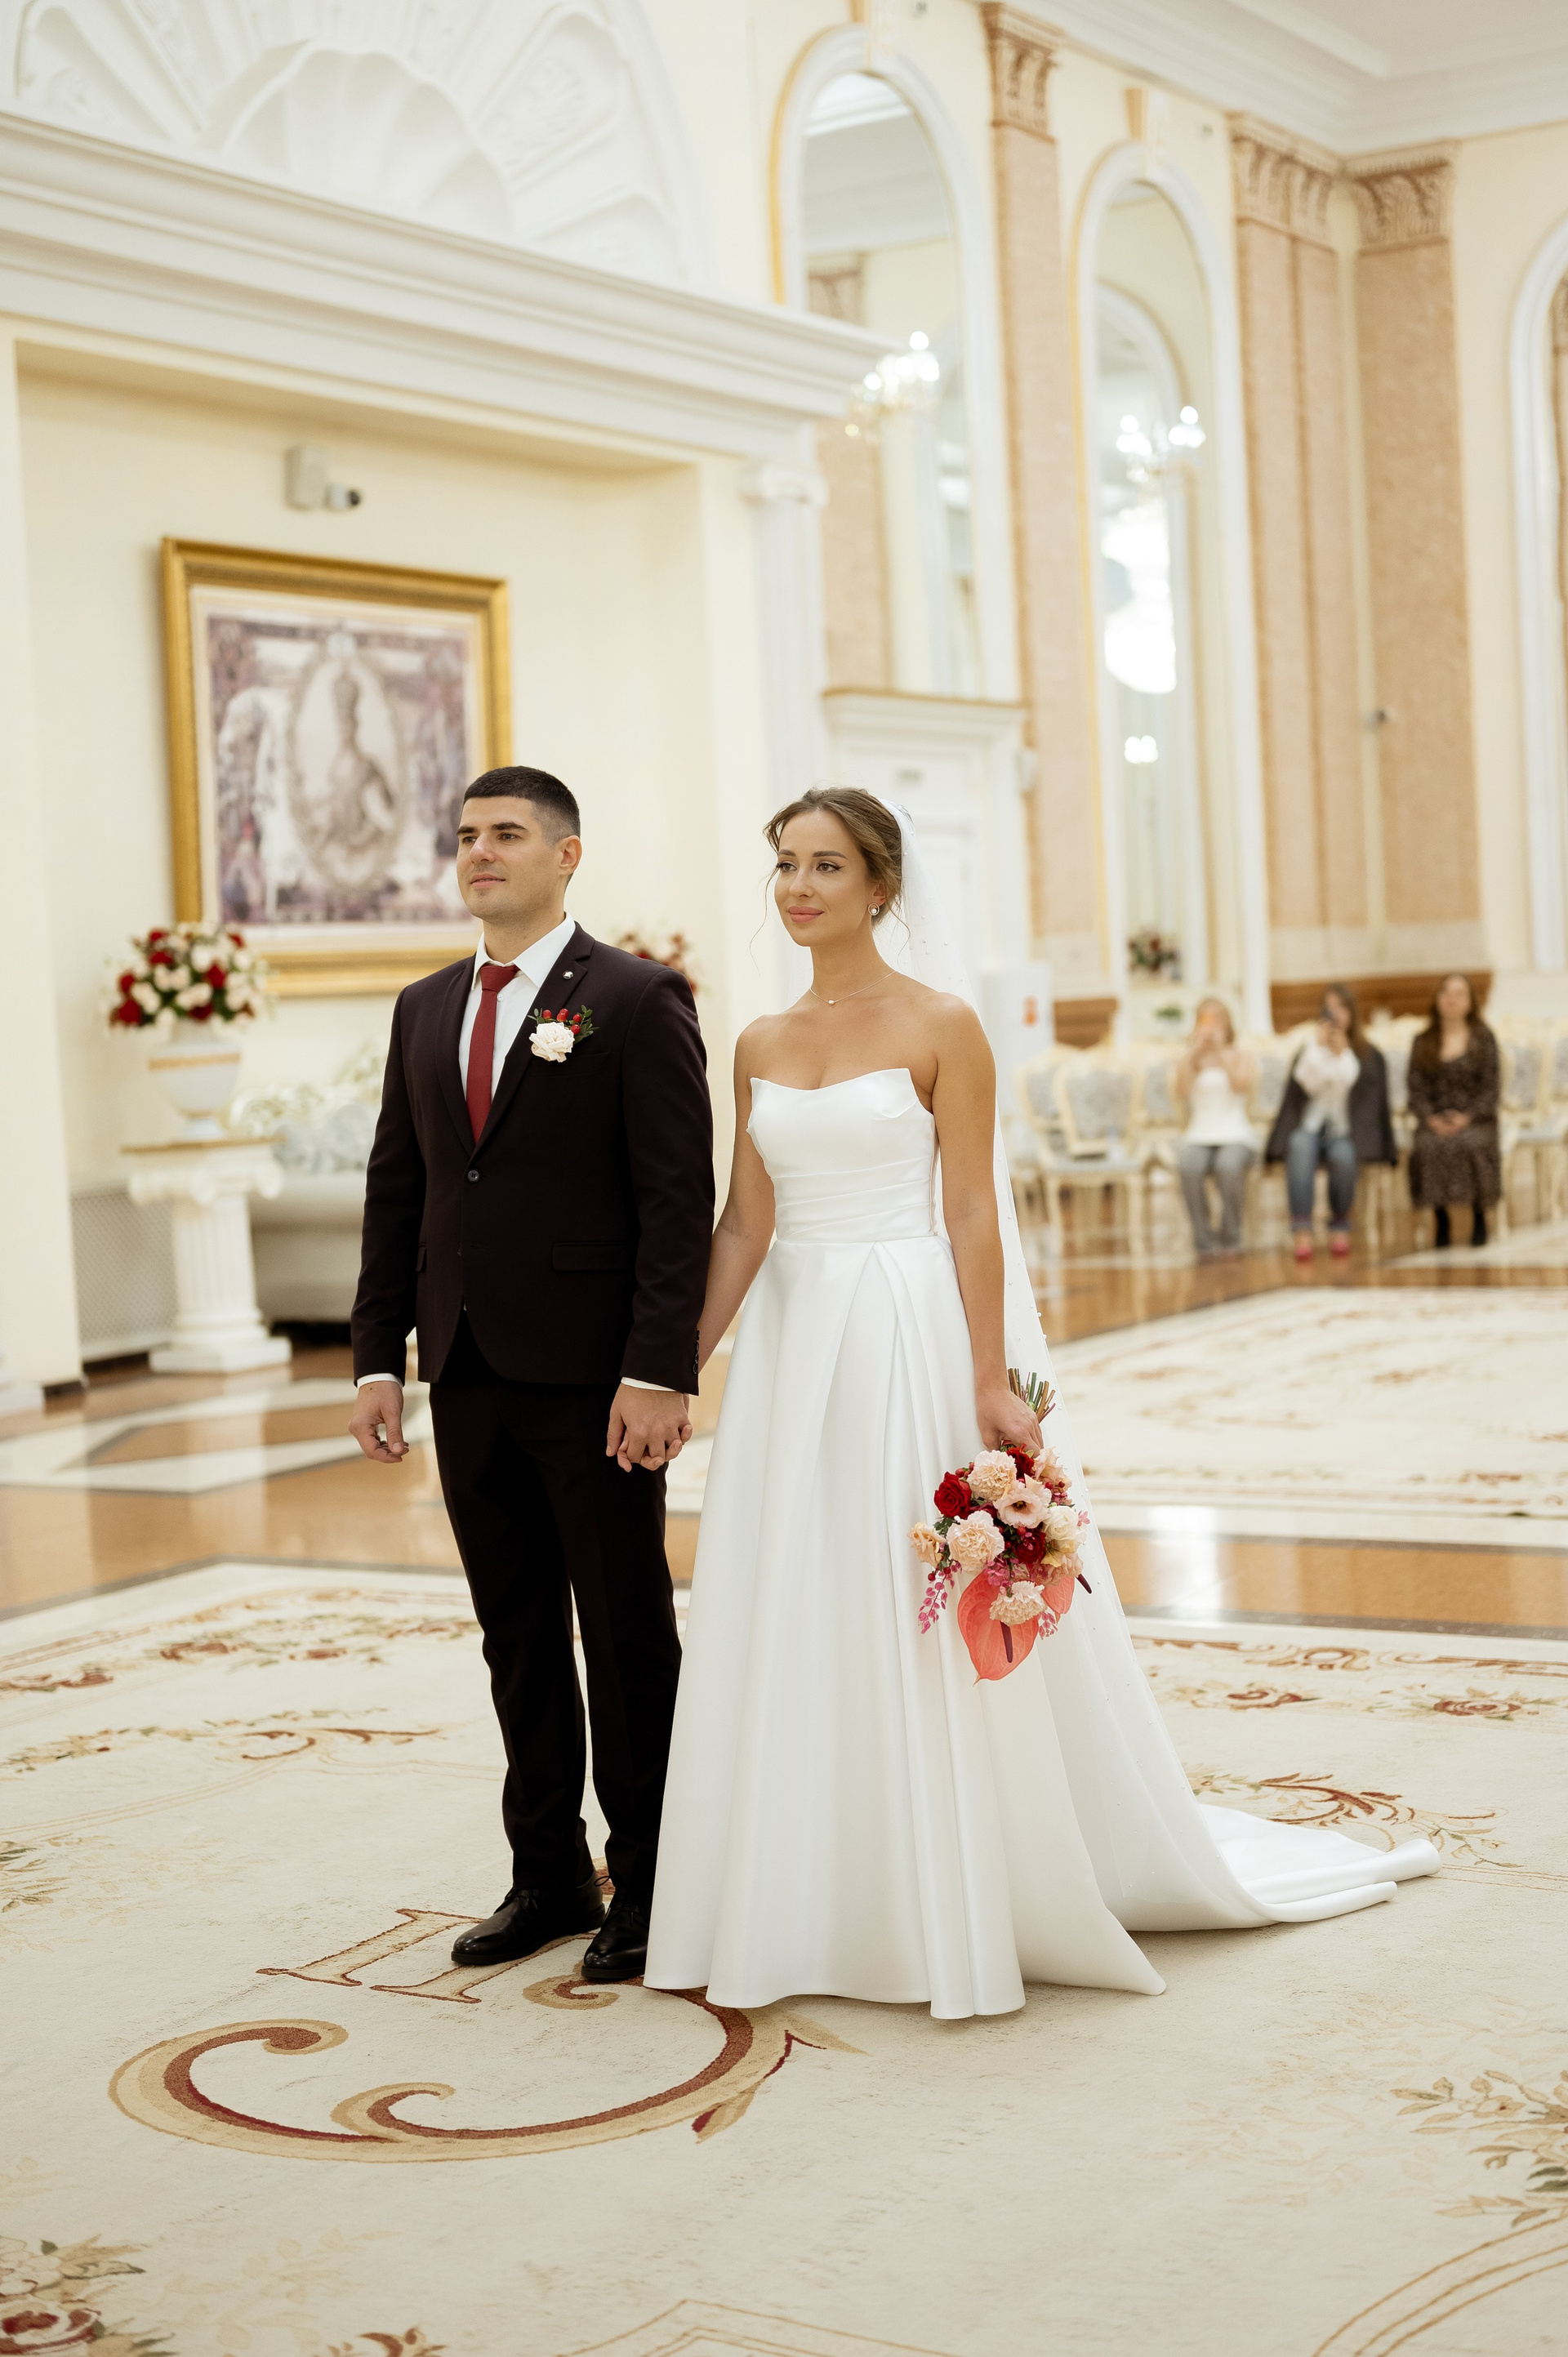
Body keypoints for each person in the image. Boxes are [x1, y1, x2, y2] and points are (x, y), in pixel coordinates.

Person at [643, 791, 1435, 2019]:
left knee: (903, 1581)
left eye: (827, 866)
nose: (798, 886)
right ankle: (809, 1883)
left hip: (903, 1325)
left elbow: (971, 1209)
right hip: (794, 1338)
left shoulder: (943, 1024)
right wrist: (679, 1364)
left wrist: (987, 1374)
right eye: (786, 864)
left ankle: (945, 1877)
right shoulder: (755, 1041)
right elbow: (745, 1221)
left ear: (880, 886)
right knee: (797, 1578)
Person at [349, 765, 713, 1987]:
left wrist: (657, 1368)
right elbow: (400, 1189)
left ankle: (655, 1881)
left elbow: (678, 1202)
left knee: (624, 1632)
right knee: (515, 1632)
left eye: (506, 833)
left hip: (597, 1379)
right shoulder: (423, 1007)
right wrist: (378, 1356)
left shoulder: (637, 997)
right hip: (465, 1369)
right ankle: (548, 1873)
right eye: (465, 836)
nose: (479, 853)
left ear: (567, 856)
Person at [1265, 983, 1396, 1263]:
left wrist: (1342, 1054)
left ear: (1352, 1013)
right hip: (1311, 1125)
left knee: (1344, 1156)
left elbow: (1358, 1090)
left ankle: (1340, 1225)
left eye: (1341, 1008)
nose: (1335, 1015)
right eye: (1329, 1009)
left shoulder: (1366, 1054)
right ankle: (1302, 1229)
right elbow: (1305, 1085)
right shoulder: (1310, 1051)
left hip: (1345, 1130)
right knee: (1299, 1145)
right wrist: (1318, 1049)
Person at [1407, 973, 1501, 1248]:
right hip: (1435, 1119)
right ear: (1437, 1000)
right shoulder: (1423, 1041)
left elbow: (1491, 1089)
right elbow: (1416, 1089)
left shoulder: (1483, 1039)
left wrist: (1467, 1118)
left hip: (1476, 1119)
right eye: (1446, 993)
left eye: (1459, 994)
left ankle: (1479, 1216)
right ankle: (1441, 1218)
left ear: (1470, 1002)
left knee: (1470, 1143)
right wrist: (1431, 1119)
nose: (1452, 999)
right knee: (1428, 1145)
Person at [1173, 998, 1255, 1258]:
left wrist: (1221, 1053)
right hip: (1199, 1133)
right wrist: (1193, 1055)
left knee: (1228, 1167)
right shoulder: (1190, 1057)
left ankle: (1231, 1235)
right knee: (1188, 1166)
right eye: (1205, 1021)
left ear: (1227, 1024)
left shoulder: (1241, 1054)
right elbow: (1181, 1093)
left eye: (1216, 1021)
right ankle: (1203, 1238)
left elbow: (1240, 1087)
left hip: (1235, 1132)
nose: (1210, 1027)